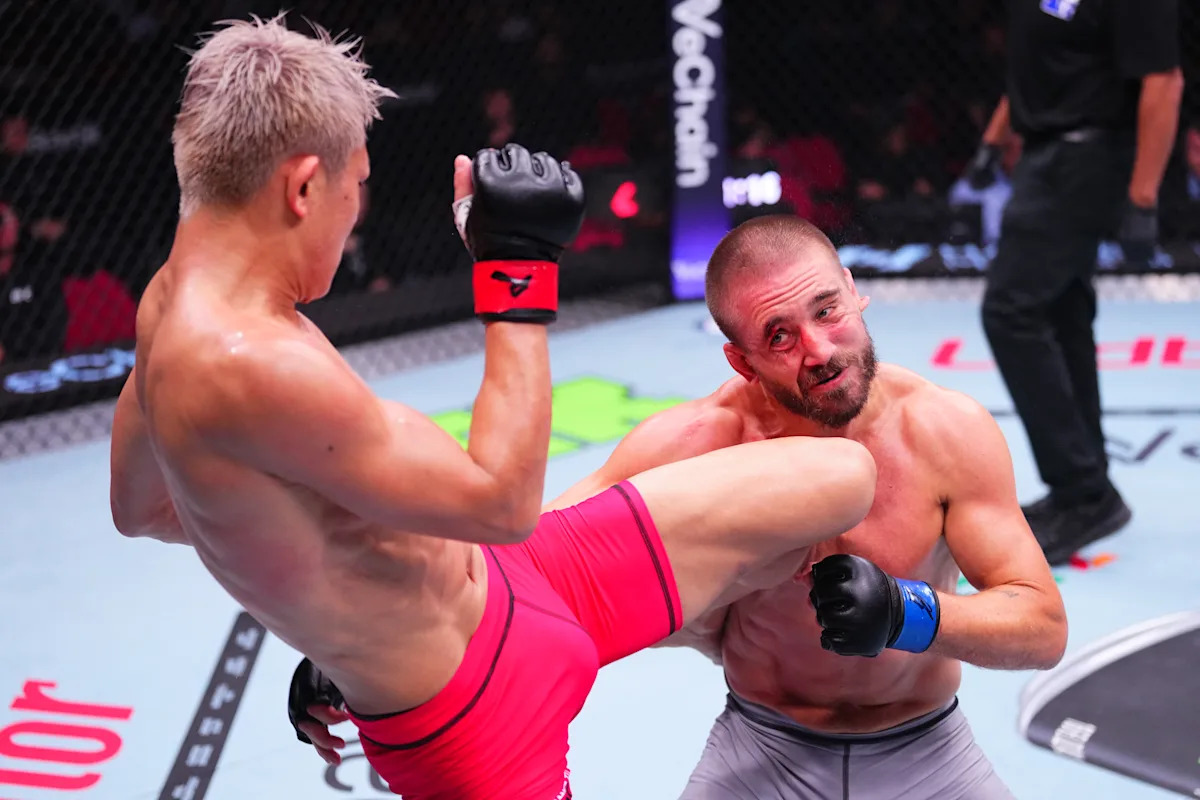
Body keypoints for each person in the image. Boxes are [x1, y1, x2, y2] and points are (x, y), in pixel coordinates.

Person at [108, 16, 879, 800]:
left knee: (842, 477)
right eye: (356, 183)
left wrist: (334, 593)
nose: (355, 209)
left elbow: (142, 509)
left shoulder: (170, 306)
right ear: (303, 187)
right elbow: (502, 504)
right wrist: (515, 272)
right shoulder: (249, 361)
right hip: (473, 724)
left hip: (527, 576)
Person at [289, 215, 1068, 799]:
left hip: (929, 752)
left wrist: (907, 614)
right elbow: (522, 569)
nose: (819, 349)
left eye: (828, 310)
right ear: (741, 359)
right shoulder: (696, 443)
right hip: (761, 753)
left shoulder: (944, 431)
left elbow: (1040, 625)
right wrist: (370, 649)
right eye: (780, 336)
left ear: (855, 290)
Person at [966, 0, 1184, 565]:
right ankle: (1085, 486)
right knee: (1060, 312)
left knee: (1011, 312)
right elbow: (1043, 66)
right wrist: (995, 138)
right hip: (1044, 156)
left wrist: (1143, 197)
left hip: (1087, 159)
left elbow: (1163, 79)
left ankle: (1083, 489)